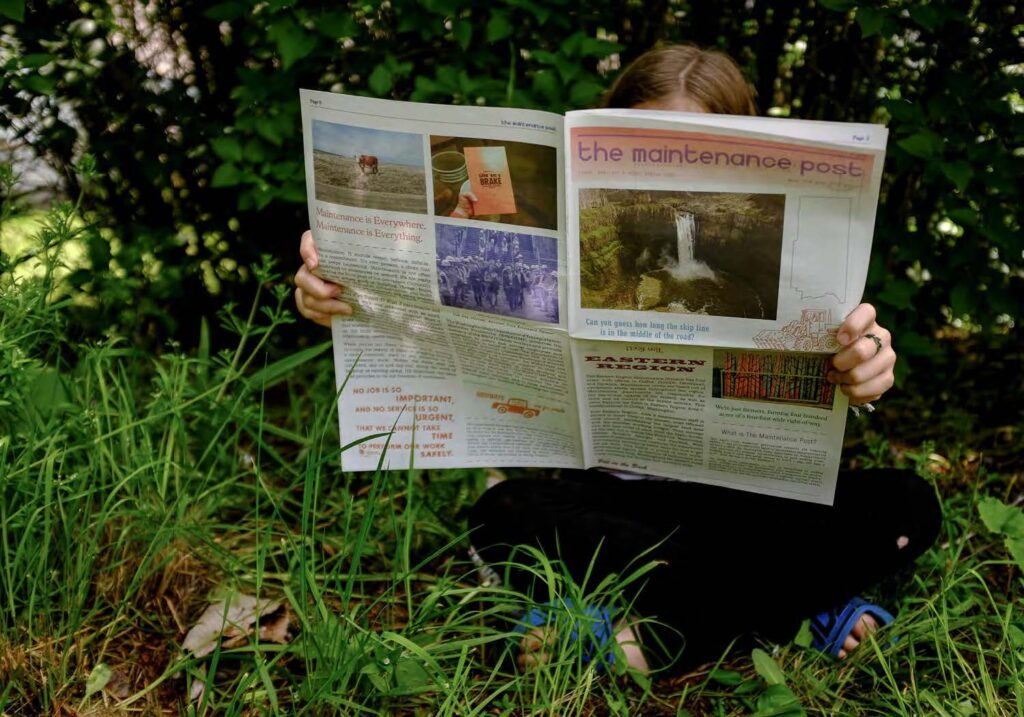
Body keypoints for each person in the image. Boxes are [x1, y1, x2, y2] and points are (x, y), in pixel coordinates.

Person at [293, 44, 941, 674]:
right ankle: (801, 599)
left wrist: (865, 366)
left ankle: (644, 636)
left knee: (907, 504)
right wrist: (348, 290)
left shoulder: (777, 257)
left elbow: (850, 355)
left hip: (739, 501)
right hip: (604, 502)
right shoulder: (562, 235)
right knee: (504, 512)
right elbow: (438, 317)